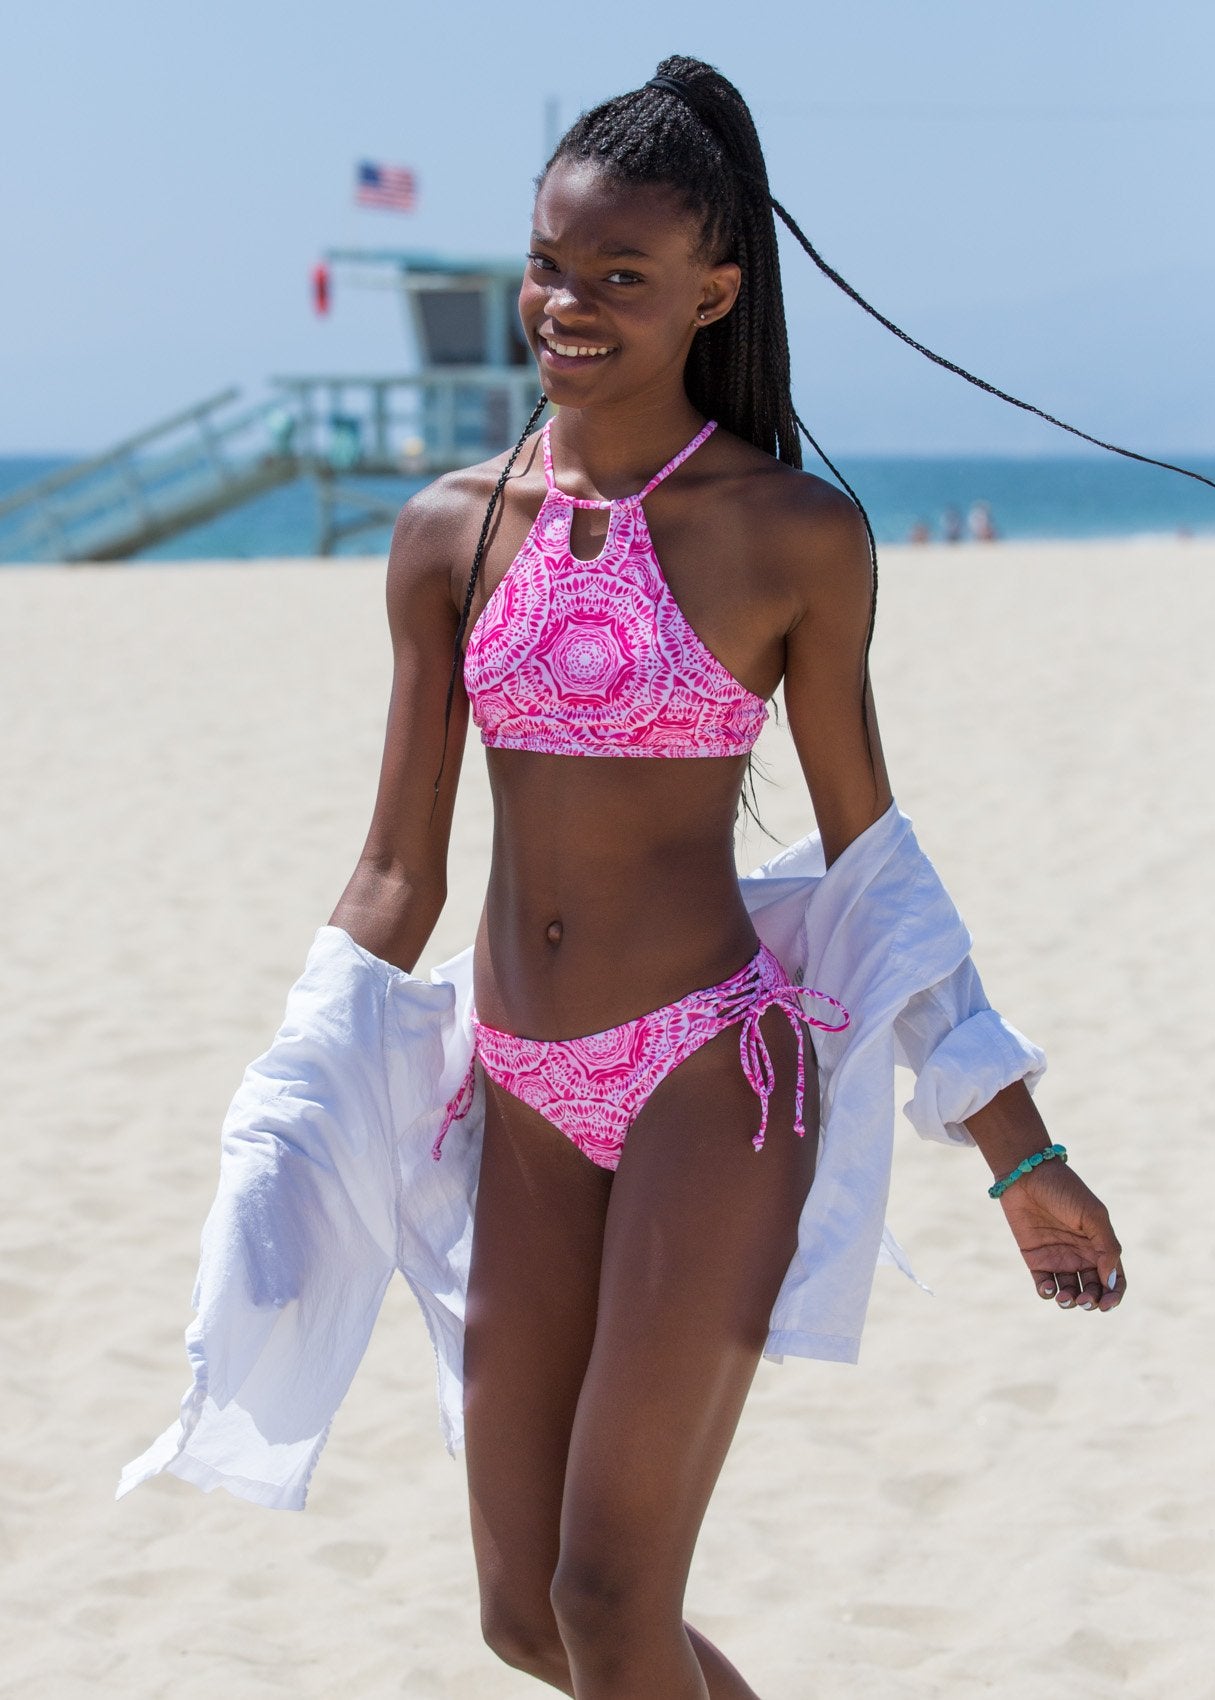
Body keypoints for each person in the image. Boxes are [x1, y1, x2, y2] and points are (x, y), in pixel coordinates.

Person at [125, 55, 1215, 1700]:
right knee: (526, 1616)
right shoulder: (446, 533)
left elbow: (874, 862)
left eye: (619, 277)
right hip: (522, 1085)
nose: (567, 304)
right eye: (550, 265)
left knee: (612, 1595)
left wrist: (1019, 1153)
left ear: (711, 291)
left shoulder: (792, 537)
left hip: (712, 1077)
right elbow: (395, 872)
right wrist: (285, 1117)